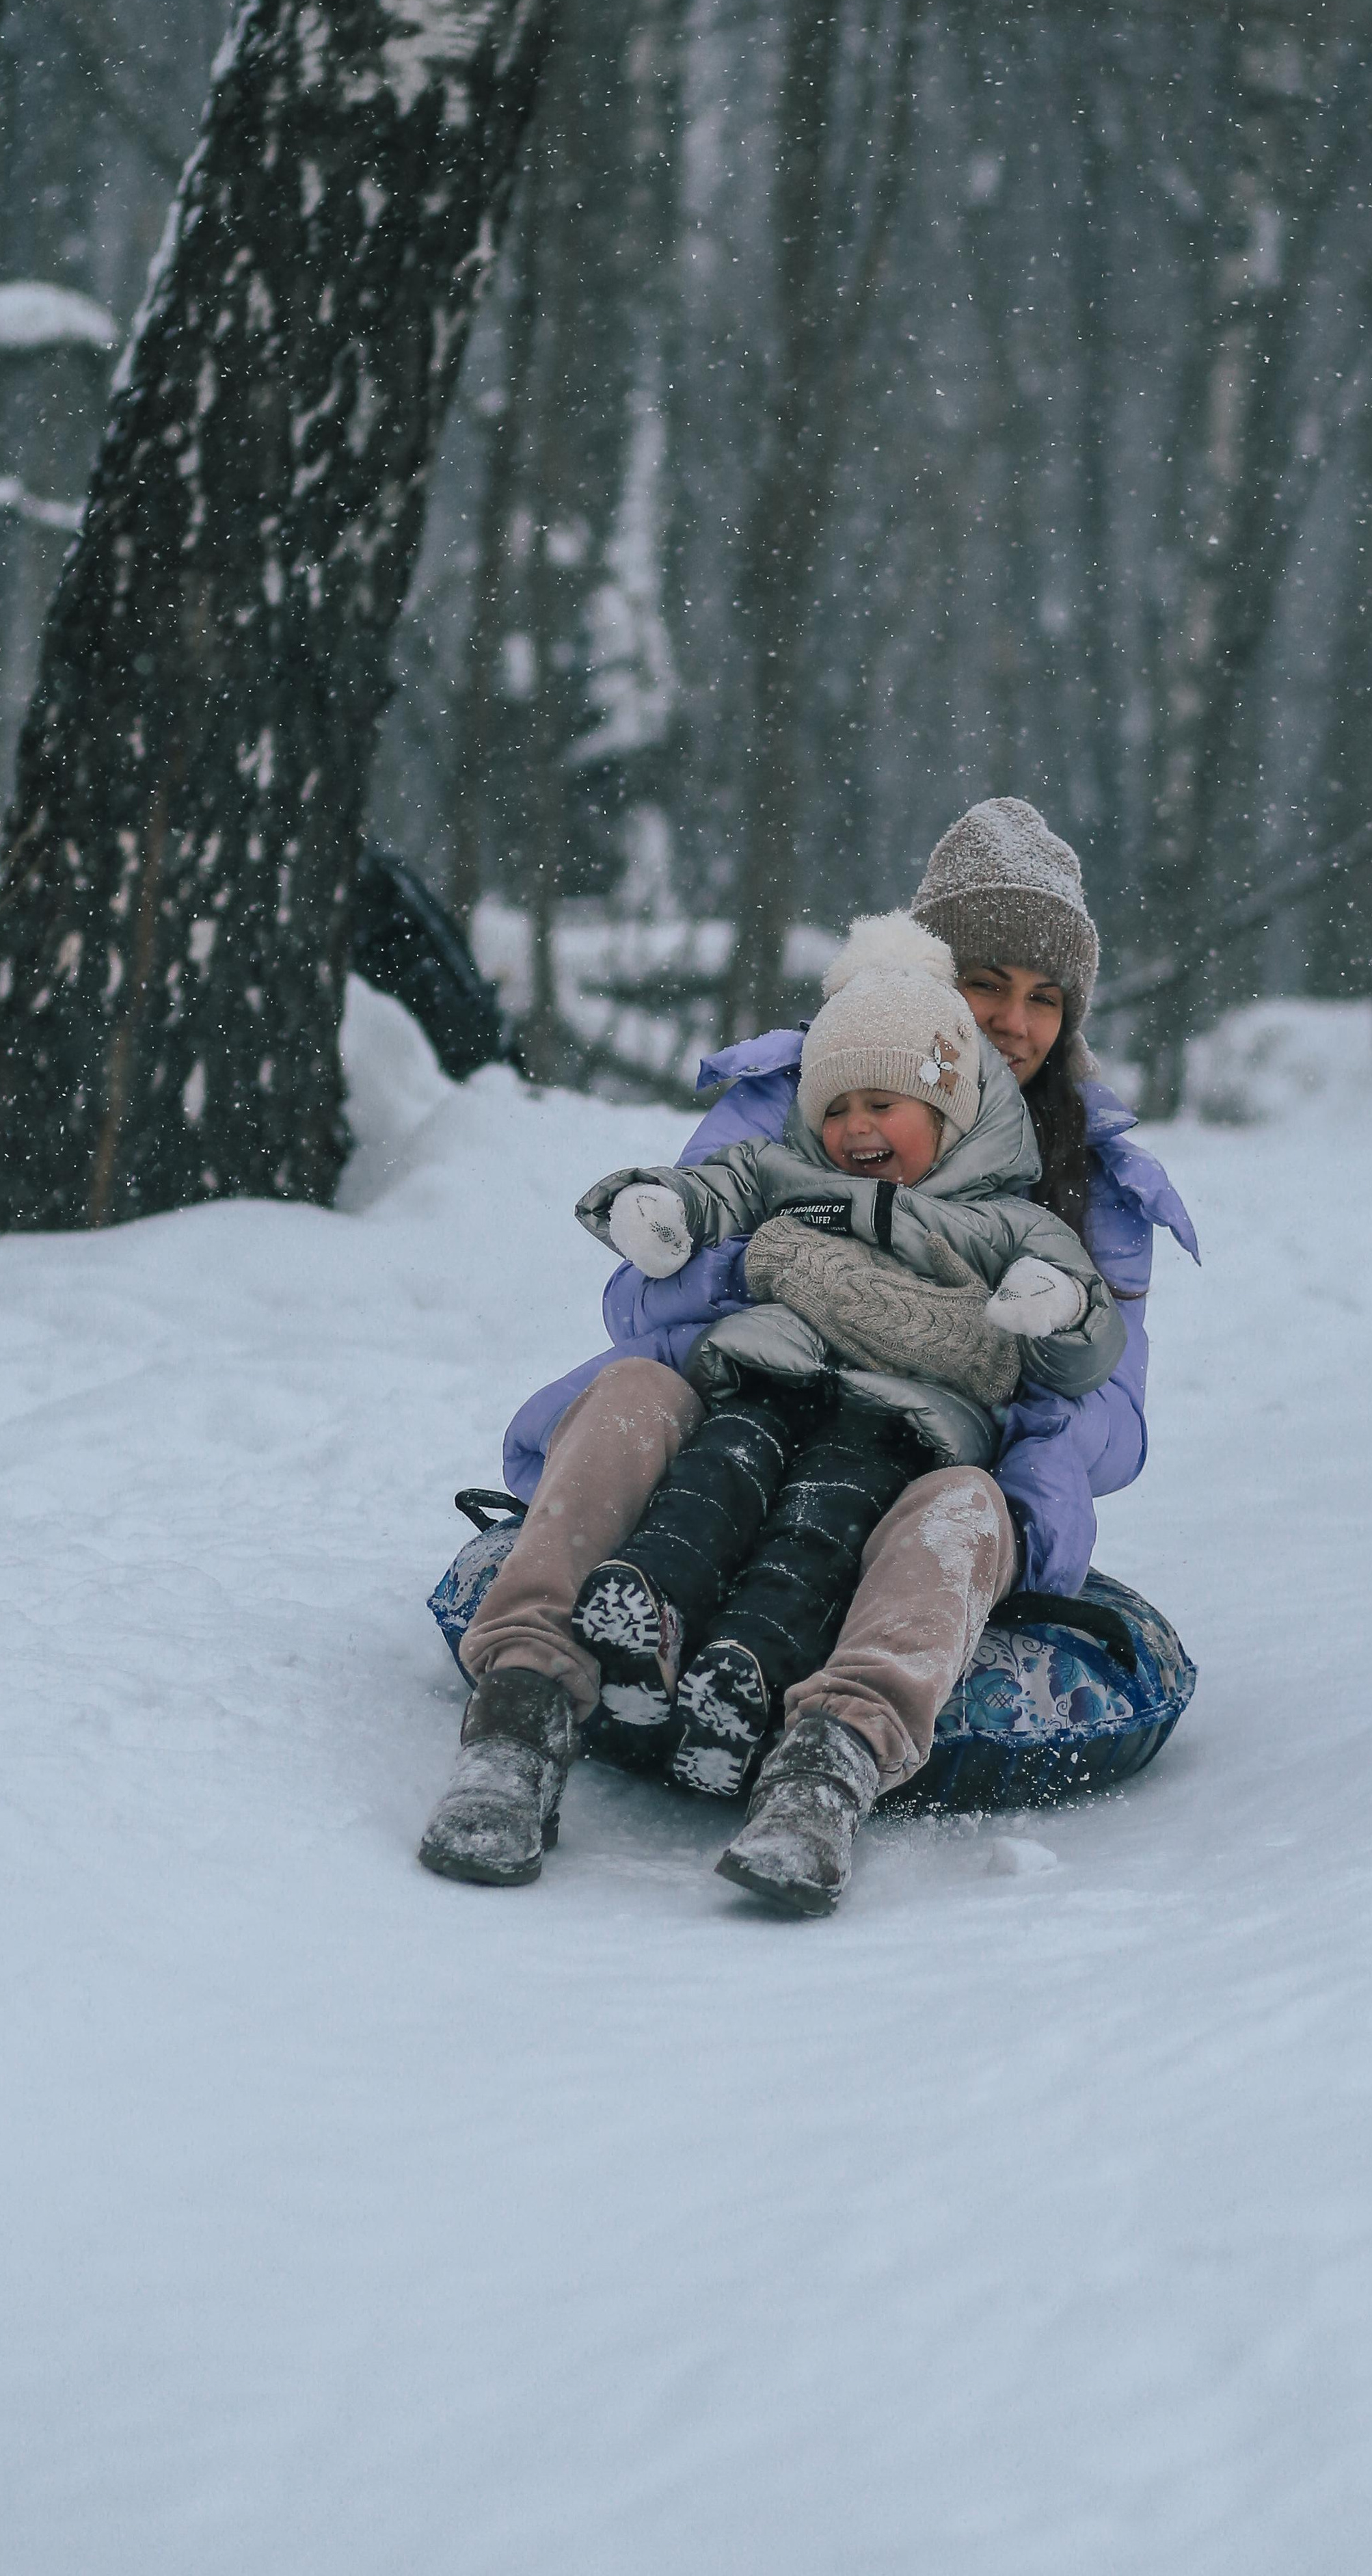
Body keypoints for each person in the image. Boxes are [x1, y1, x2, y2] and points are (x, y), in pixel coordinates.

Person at [417, 797, 1197, 1917]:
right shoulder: (807, 1097)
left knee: (967, 1503)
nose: (1014, 1024)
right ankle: (524, 1708)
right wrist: (799, 1302)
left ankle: (825, 1770)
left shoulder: (1086, 1185)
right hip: (741, 1419)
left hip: (905, 1463)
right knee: (637, 1389)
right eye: (986, 986)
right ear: (926, 983)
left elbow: (1101, 1405)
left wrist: (1009, 1503)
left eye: (1045, 999)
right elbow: (657, 1305)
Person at [556, 911, 1123, 1806]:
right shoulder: (798, 1169)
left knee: (815, 1538)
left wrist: (1054, 1306)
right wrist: (657, 1207)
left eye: (882, 1105)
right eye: (837, 1108)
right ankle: (648, 1610)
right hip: (769, 1380)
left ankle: (742, 1675)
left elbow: (1086, 1328)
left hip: (897, 1424)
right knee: (713, 1482)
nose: (856, 1128)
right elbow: (728, 1181)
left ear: (949, 1112)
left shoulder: (1005, 1218)